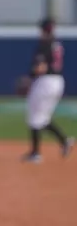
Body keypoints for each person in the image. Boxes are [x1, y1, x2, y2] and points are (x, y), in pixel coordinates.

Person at [22, 18, 74, 163]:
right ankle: (64, 141)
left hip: (45, 81)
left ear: (44, 30)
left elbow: (41, 67)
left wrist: (29, 78)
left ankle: (35, 154)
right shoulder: (56, 44)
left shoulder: (44, 44)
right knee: (42, 117)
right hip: (58, 82)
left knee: (34, 115)